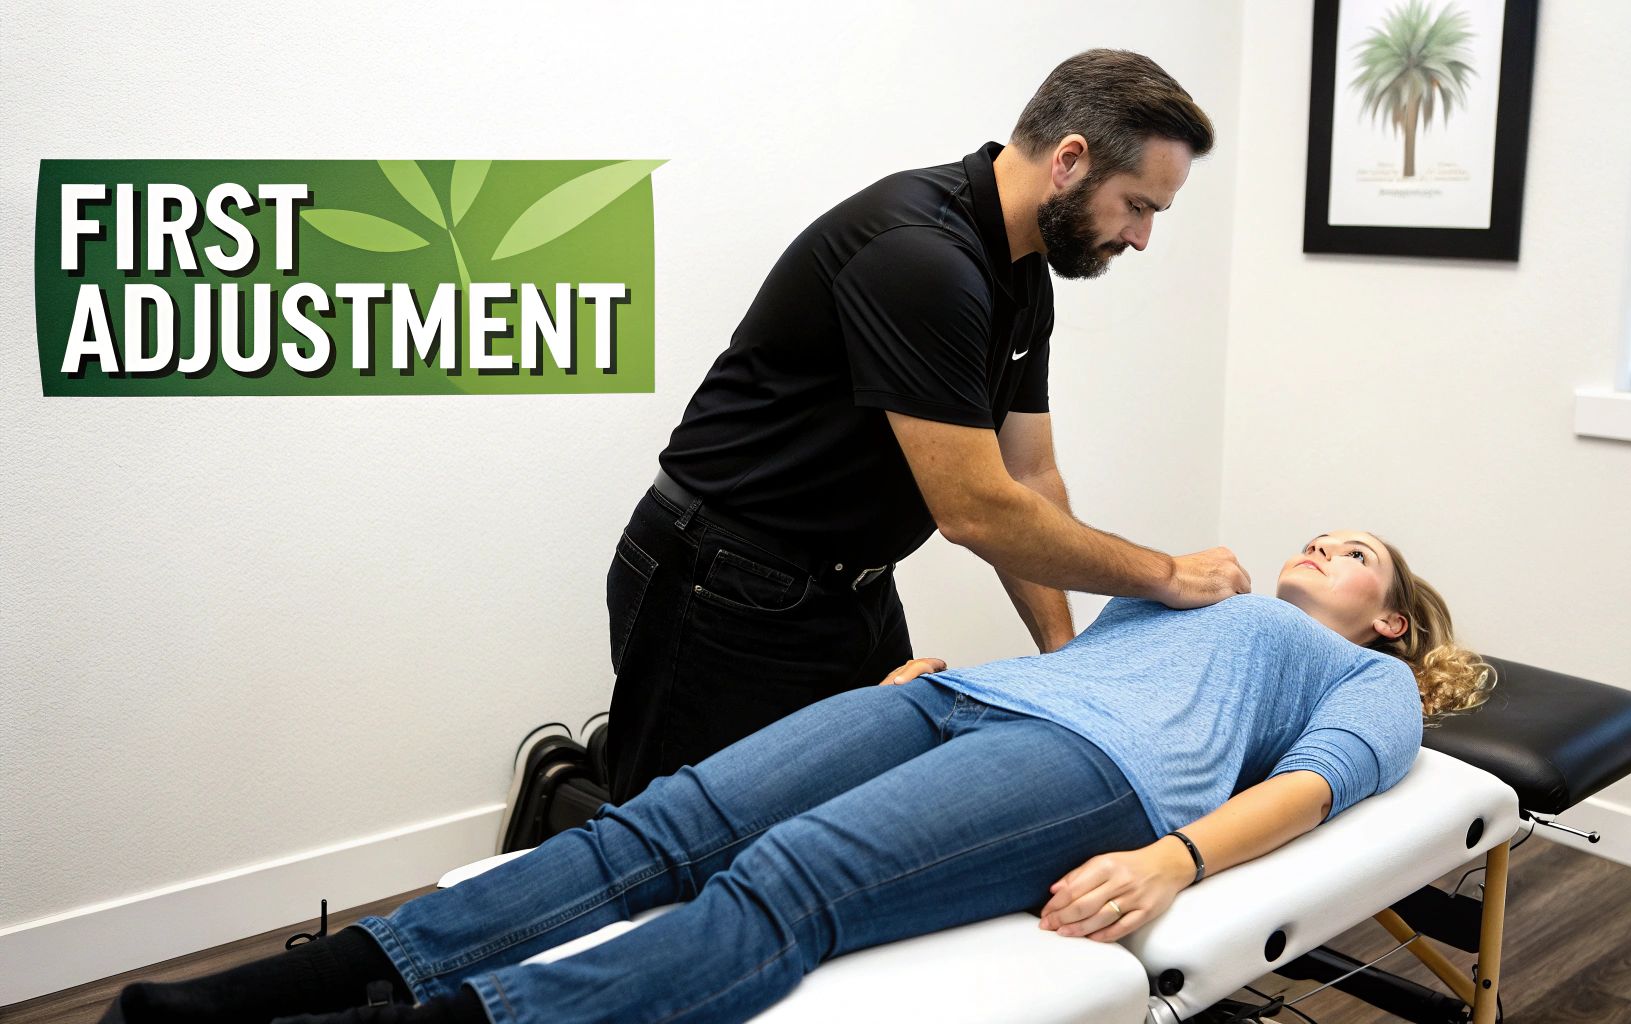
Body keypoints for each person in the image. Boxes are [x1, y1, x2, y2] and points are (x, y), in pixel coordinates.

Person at [101, 530, 1493, 1024]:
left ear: (1391, 615)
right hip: (965, 696)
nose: (1320, 544)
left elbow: (1313, 790)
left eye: (1353, 548)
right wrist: (940, 678)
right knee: (669, 817)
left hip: (1098, 776)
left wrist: (1174, 862)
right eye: (1313, 530)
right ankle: (281, 987)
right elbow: (1075, 634)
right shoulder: (1195, 589)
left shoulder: (1366, 682)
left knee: (788, 882)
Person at [603, 49, 1247, 804]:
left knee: (852, 828)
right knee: (671, 846)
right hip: (726, 579)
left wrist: (1065, 654)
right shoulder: (921, 256)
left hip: (853, 590)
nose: (1140, 238)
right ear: (1070, 160)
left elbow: (1027, 476)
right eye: (1138, 205)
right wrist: (1165, 575)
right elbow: (974, 509)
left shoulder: (1021, 271)